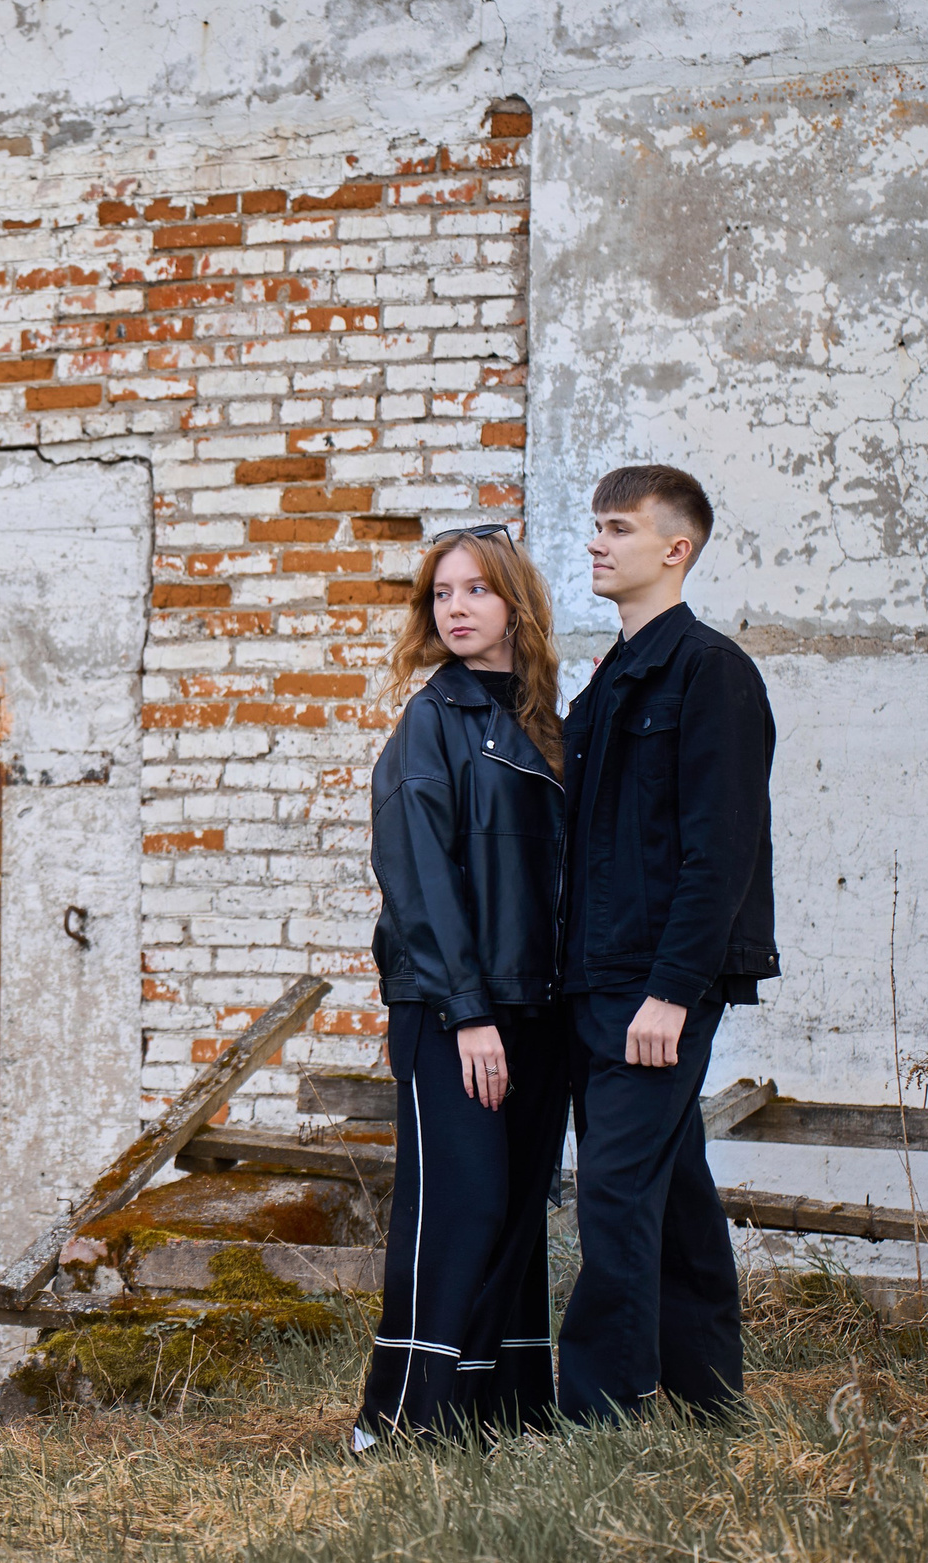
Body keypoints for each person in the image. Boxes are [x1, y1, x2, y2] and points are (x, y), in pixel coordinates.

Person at [554, 465, 780, 1424]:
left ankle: (599, 1413)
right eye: (596, 525)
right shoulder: (609, 680)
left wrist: (674, 990)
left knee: (613, 1190)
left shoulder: (710, 672)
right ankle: (709, 1398)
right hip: (597, 978)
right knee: (671, 1186)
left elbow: (721, 848)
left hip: (655, 986)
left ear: (675, 548)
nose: (596, 542)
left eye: (619, 528)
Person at [355, 523, 572, 1448]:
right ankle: (400, 1418)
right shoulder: (431, 723)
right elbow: (418, 880)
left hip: (540, 1008)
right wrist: (468, 1012)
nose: (456, 608)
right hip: (452, 1010)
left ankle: (503, 1416)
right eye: (442, 593)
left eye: (476, 589)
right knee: (461, 1202)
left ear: (516, 604)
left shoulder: (550, 726)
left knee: (519, 1209)